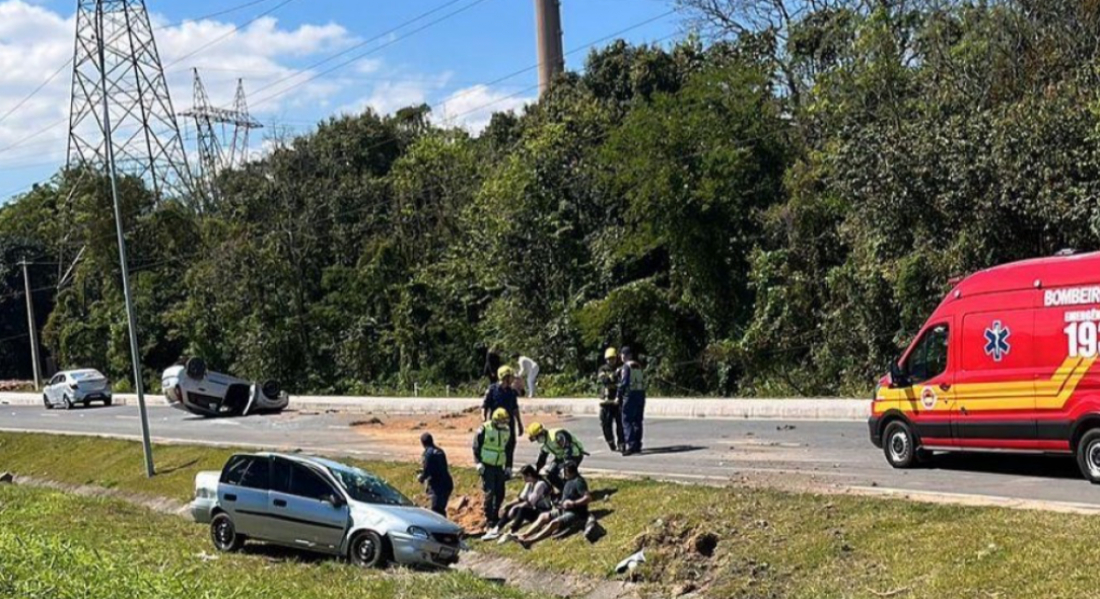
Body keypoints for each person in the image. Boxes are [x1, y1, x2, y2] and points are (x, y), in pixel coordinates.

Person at [517, 461, 591, 547]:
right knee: (543, 516)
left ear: (568, 471)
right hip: (563, 509)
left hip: (575, 512)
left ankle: (530, 541)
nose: (563, 473)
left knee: (554, 523)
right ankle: (525, 535)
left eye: (564, 471)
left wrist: (573, 503)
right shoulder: (568, 481)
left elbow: (588, 498)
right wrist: (560, 502)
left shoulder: (579, 482)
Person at [482, 464, 552, 543]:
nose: (523, 479)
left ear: (529, 475)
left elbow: (530, 503)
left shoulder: (540, 484)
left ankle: (511, 531)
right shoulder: (529, 484)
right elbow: (521, 498)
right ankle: (496, 529)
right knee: (510, 508)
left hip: (542, 511)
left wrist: (515, 507)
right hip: (534, 509)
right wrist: (508, 505)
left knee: (522, 510)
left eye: (524, 476)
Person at [472, 408, 513, 528]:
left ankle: (495, 515)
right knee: (490, 492)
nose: (503, 424)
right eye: (501, 421)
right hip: (487, 465)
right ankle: (489, 519)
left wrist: (509, 466)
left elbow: (508, 449)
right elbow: (476, 447)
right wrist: (478, 463)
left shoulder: (506, 430)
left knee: (500, 493)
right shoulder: (485, 429)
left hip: (499, 466)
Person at [526, 422, 586, 491]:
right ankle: (565, 491)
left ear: (541, 433)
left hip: (574, 454)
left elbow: (568, 449)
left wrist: (567, 467)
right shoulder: (546, 444)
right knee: (551, 475)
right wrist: (537, 471)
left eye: (536, 438)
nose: (537, 440)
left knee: (569, 474)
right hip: (561, 457)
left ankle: (580, 491)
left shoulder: (557, 435)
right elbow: (542, 458)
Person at [483, 366, 523, 469]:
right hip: (496, 423)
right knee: (497, 444)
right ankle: (496, 466)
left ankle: (508, 468)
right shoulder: (492, 389)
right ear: (504, 377)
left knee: (510, 444)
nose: (512, 379)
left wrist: (519, 423)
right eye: (510, 377)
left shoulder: (511, 392)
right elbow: (485, 406)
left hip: (509, 423)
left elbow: (515, 408)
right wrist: (485, 420)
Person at [617, 346, 647, 456]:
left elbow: (624, 383)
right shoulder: (637, 365)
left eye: (622, 354)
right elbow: (640, 383)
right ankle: (637, 444)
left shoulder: (626, 366)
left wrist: (618, 395)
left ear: (625, 355)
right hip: (640, 396)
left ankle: (630, 445)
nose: (621, 356)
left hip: (630, 397)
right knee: (637, 421)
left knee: (626, 420)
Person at [417, 433, 454, 517]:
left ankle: (441, 528)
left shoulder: (428, 453)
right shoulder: (440, 451)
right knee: (440, 509)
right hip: (447, 483)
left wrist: (421, 478)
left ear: (422, 443)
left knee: (436, 511)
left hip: (437, 486)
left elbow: (426, 470)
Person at [597, 347, 625, 452]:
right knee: (606, 424)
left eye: (613, 358)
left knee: (620, 424)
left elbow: (623, 382)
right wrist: (614, 375)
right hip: (606, 402)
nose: (611, 361)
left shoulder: (621, 368)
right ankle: (611, 442)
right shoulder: (602, 369)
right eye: (609, 359)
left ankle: (622, 443)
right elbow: (604, 380)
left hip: (617, 401)